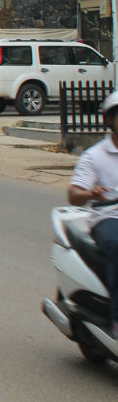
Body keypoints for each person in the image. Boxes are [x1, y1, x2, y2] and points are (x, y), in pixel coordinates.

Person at [69, 90, 118, 336]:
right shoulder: (94, 156)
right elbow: (73, 194)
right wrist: (91, 194)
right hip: (108, 217)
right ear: (110, 119)